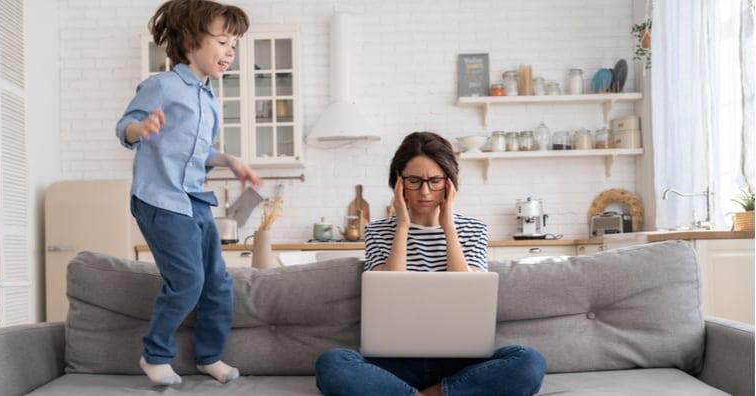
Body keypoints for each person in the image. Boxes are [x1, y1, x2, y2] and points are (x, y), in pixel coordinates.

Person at [314, 132, 547, 396]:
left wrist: (448, 226)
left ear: (449, 184)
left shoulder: (473, 230)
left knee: (529, 361)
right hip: (394, 362)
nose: (425, 192)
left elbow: (465, 294)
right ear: (398, 184)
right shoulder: (378, 231)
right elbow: (391, 292)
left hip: (460, 362)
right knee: (332, 364)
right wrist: (402, 224)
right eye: (414, 181)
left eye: (435, 181)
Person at [115, 0, 260, 386]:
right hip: (159, 199)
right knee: (188, 282)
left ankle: (209, 356)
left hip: (194, 200)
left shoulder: (209, 99)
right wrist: (140, 129)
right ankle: (155, 355)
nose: (230, 51)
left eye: (234, 45)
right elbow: (125, 126)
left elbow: (194, 152)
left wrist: (228, 159)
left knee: (218, 282)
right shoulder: (162, 86)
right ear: (192, 39)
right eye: (223, 41)